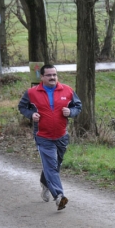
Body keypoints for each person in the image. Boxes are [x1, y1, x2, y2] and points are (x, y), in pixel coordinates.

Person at [18, 64, 82, 211]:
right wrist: (31, 115)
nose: (52, 77)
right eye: (49, 75)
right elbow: (22, 107)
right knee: (51, 167)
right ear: (42, 77)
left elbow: (78, 106)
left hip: (61, 136)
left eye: (54, 74)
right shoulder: (32, 93)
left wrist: (71, 112)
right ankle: (59, 196)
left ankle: (45, 182)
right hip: (43, 136)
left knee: (55, 166)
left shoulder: (67, 90)